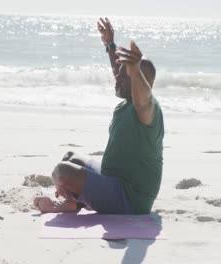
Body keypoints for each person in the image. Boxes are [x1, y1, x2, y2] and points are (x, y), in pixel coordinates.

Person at [34, 17, 164, 215]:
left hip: (130, 198)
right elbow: (121, 74)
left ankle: (66, 204)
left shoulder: (148, 110)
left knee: (62, 171)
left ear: (138, 82)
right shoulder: (128, 101)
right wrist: (110, 44)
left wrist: (136, 71)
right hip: (113, 179)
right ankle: (74, 202)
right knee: (71, 157)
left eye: (123, 75)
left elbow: (143, 97)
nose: (116, 78)